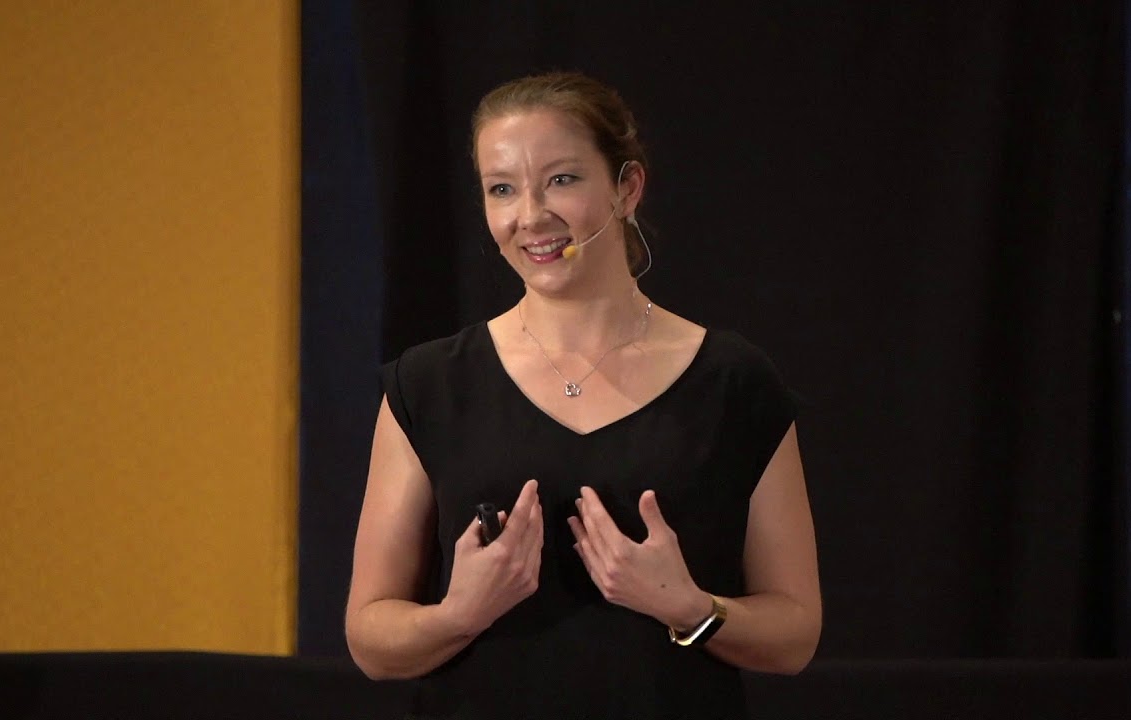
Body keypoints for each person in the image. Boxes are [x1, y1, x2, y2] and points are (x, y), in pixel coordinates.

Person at [344, 71, 821, 720]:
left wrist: (689, 608)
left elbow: (794, 635)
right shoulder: (427, 385)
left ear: (627, 188)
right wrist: (461, 613)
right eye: (502, 189)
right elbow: (371, 639)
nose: (531, 216)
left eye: (562, 180)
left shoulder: (734, 382)